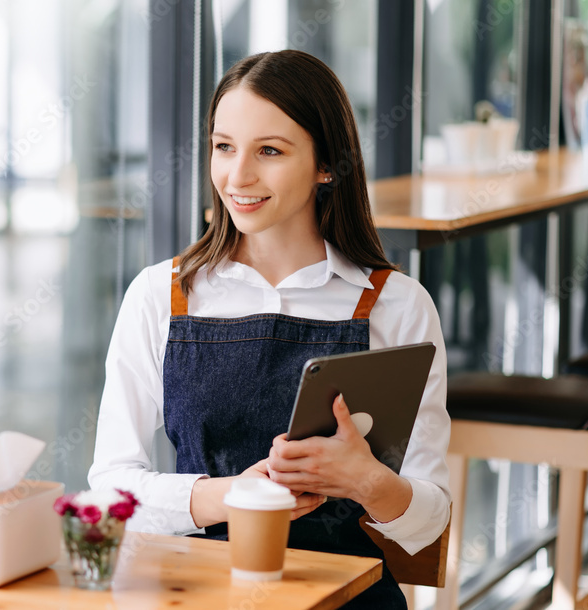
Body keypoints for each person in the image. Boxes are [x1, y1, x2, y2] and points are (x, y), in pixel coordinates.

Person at [88, 50, 450, 608]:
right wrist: (233, 496)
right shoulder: (161, 293)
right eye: (224, 147)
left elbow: (428, 525)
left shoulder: (395, 304)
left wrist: (366, 481)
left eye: (270, 152)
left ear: (326, 164)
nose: (239, 176)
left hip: (350, 597)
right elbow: (112, 487)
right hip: (201, 592)